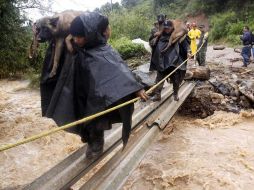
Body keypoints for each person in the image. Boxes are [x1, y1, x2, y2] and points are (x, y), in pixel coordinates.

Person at [149, 20, 190, 101]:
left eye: (169, 28)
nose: (167, 30)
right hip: (162, 62)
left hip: (173, 62)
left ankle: (175, 94)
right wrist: (154, 37)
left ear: (172, 28)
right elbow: (152, 44)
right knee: (159, 79)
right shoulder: (160, 36)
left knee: (176, 79)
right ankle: (157, 95)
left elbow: (185, 45)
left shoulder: (178, 36)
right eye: (166, 28)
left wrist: (189, 52)